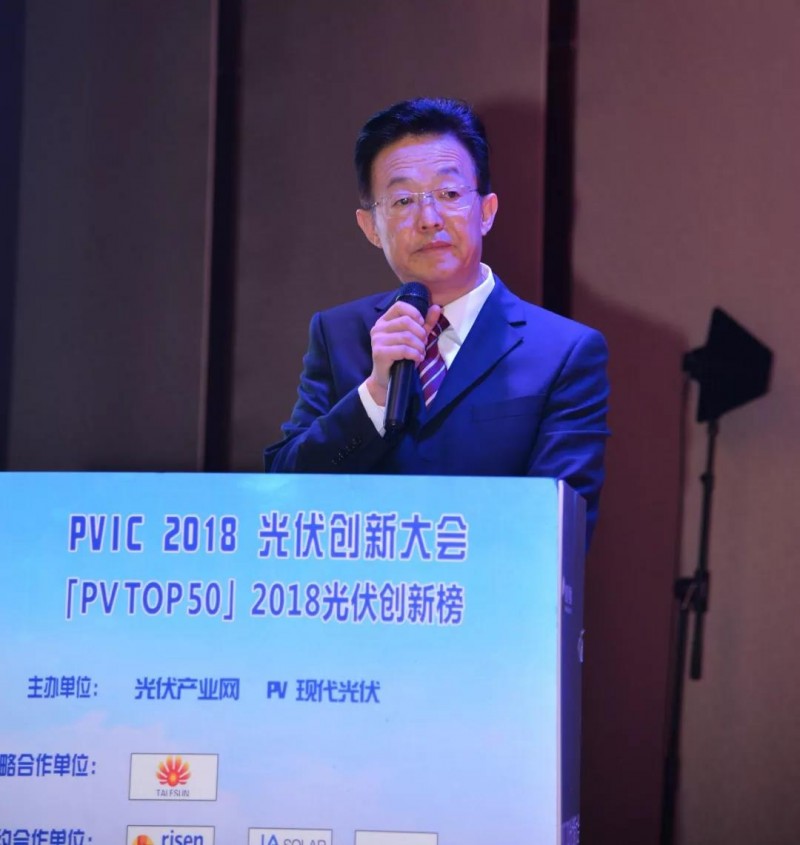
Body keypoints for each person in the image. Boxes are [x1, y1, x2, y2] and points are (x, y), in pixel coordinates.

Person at [264, 97, 609, 545]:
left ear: (486, 212)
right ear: (371, 227)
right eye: (403, 200)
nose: (428, 219)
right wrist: (375, 395)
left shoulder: (564, 352)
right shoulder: (339, 335)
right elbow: (284, 493)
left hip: (487, 587)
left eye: (449, 194)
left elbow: (559, 530)